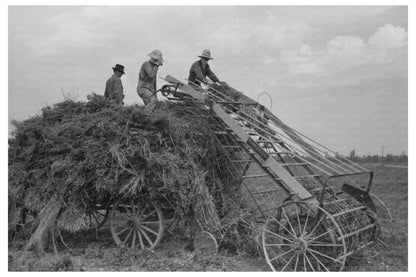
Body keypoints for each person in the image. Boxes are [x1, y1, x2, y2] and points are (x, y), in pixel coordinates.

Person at [137, 49, 164, 114]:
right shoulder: (146, 64)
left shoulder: (153, 67)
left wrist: (155, 95)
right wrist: (156, 65)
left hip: (149, 90)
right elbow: (151, 75)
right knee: (153, 101)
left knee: (153, 107)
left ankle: (146, 120)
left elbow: (153, 84)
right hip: (143, 89)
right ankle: (142, 118)